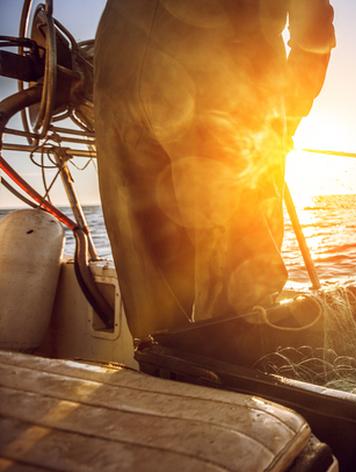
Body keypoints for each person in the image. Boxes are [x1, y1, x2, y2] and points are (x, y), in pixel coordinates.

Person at [94, 0, 335, 338]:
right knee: (237, 296)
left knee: (149, 287)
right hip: (223, 75)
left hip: (117, 66)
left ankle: (167, 375)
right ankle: (221, 376)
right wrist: (288, 109)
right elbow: (313, 21)